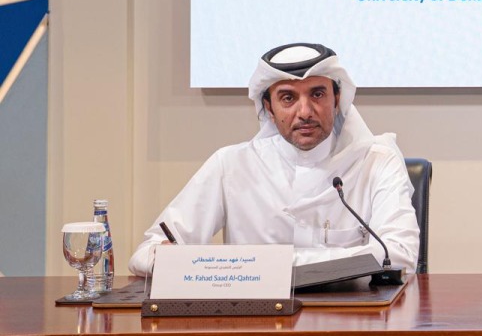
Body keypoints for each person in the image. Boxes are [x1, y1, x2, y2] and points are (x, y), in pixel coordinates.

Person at [129, 43, 419, 276]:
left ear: (337, 99)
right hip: (255, 329)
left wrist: (261, 267)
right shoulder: (231, 165)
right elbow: (147, 252)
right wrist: (168, 259)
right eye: (288, 98)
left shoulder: (377, 161)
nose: (305, 111)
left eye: (317, 94)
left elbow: (399, 255)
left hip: (353, 324)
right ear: (268, 107)